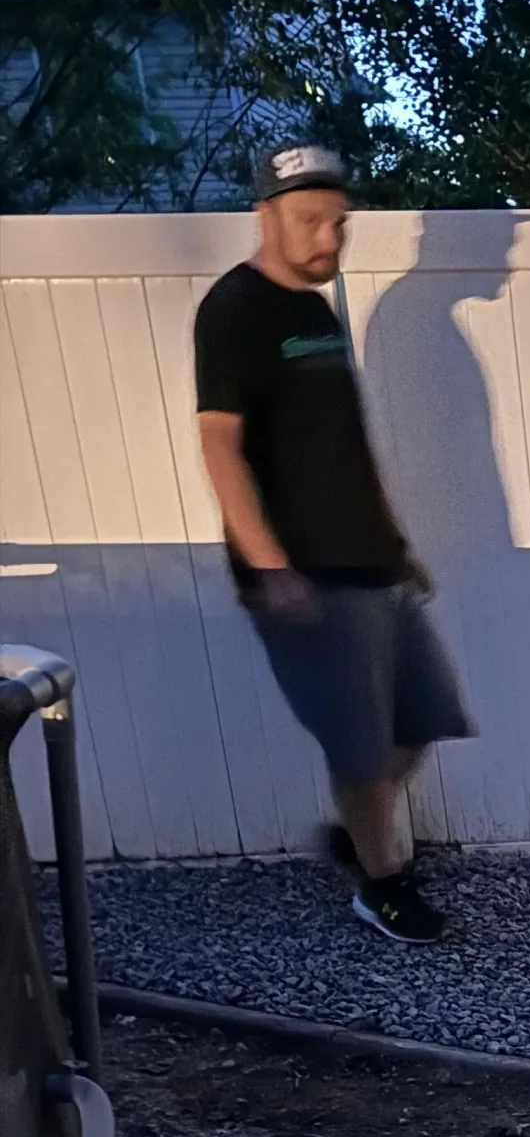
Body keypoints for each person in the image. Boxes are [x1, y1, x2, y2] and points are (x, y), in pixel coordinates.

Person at [194, 141, 473, 944]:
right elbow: (219, 444)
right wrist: (271, 565)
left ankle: (360, 838)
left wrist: (394, 538)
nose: (327, 240)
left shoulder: (315, 312)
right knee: (360, 748)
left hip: (371, 560)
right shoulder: (234, 310)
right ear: (266, 215)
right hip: (306, 575)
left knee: (421, 719)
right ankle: (384, 885)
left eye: (338, 224)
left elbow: (343, 440)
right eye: (310, 221)